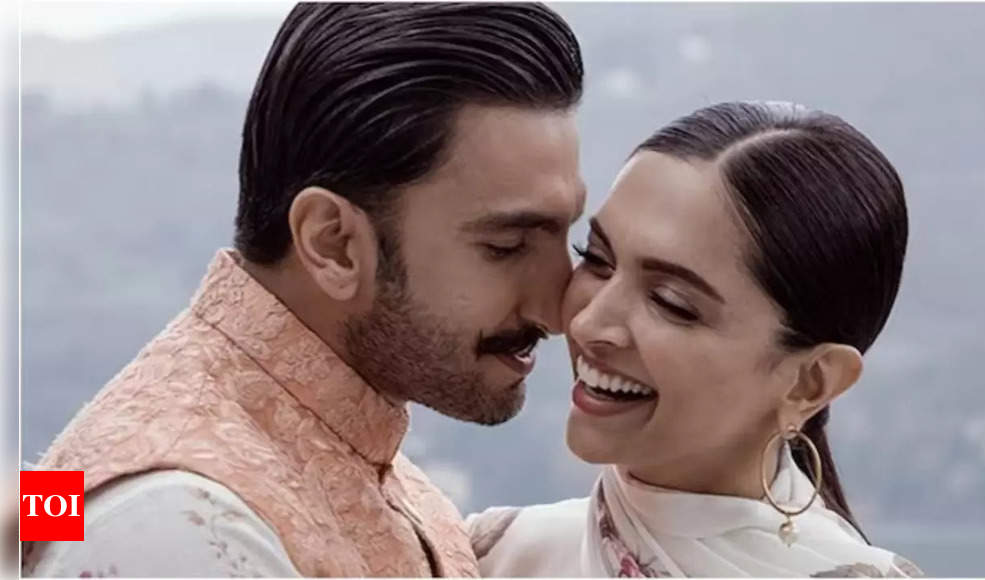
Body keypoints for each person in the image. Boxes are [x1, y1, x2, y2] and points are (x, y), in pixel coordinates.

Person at [23, 3, 585, 577]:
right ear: (334, 243)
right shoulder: (179, 525)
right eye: (508, 246)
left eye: (573, 238)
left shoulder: (356, 469)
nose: (560, 309)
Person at [468, 101, 923, 578]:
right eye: (597, 259)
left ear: (809, 382)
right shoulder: (487, 556)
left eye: (670, 302)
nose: (586, 324)